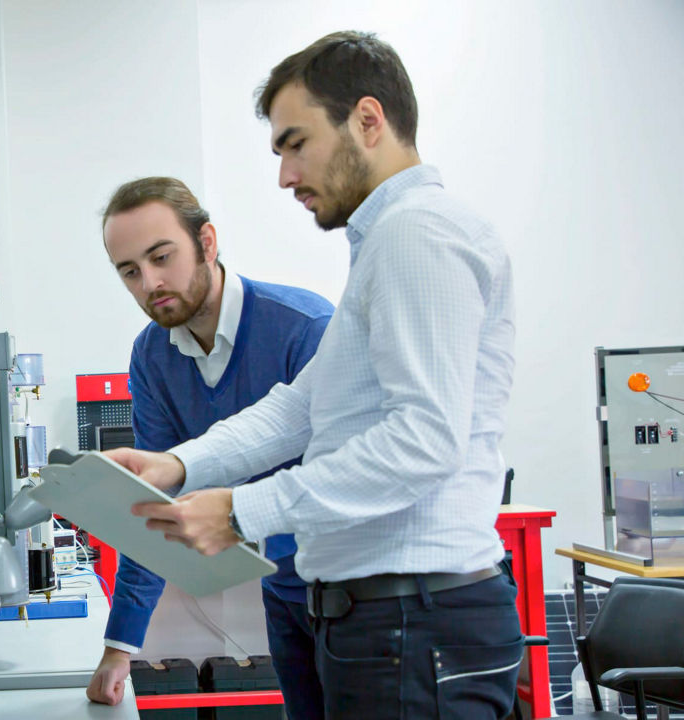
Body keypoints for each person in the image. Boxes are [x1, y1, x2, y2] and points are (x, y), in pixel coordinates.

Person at [106, 32, 520, 719]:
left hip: (412, 621)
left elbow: (424, 441)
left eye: (296, 144)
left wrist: (243, 511)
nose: (285, 175)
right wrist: (176, 465)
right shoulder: (386, 243)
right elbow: (299, 407)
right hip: (385, 622)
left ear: (367, 119)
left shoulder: (416, 234)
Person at [86, 176, 333, 719]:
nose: (149, 282)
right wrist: (120, 646)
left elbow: (345, 475)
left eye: (161, 257)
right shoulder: (153, 356)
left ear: (208, 243)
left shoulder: (305, 329)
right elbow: (151, 506)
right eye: (130, 271)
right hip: (286, 595)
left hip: (353, 595)